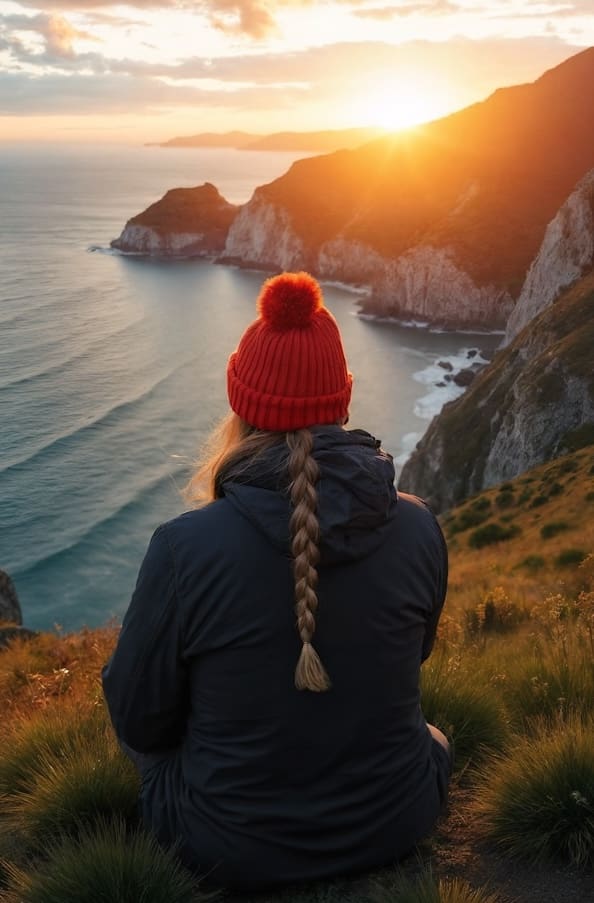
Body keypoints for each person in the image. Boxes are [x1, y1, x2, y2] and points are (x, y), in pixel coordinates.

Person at [102, 271, 451, 890]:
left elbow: (139, 720)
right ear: (342, 400)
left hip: (226, 848)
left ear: (242, 406)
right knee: (435, 736)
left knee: (151, 738)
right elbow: (413, 657)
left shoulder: (184, 547)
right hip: (400, 818)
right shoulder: (420, 526)